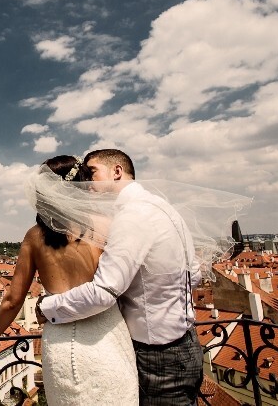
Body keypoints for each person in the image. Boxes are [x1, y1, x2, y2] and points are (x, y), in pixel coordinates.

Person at [36, 149, 204, 405]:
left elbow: (103, 292)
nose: (86, 182)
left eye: (91, 173)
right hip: (186, 343)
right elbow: (196, 273)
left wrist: (47, 307)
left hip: (157, 355)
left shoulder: (132, 216)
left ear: (117, 172)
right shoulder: (163, 207)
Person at [0, 155, 139, 405]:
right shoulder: (106, 224)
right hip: (107, 338)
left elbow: (13, 299)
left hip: (60, 345)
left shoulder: (34, 236)